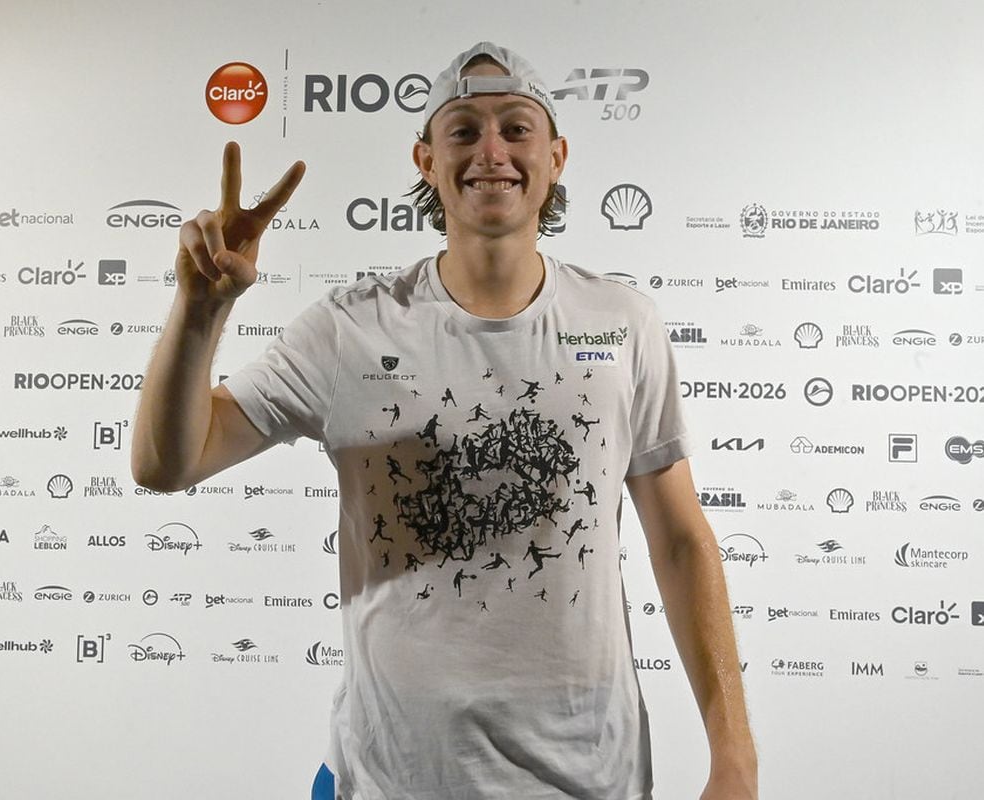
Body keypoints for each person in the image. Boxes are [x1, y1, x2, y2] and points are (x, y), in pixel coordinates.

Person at [132, 41, 757, 800]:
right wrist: (199, 312)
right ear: (425, 160)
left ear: (556, 156)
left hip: (590, 779)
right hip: (389, 779)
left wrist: (735, 758)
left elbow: (683, 542)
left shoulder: (623, 322)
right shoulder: (349, 329)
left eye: (516, 128)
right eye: (462, 130)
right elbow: (167, 462)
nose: (491, 151)